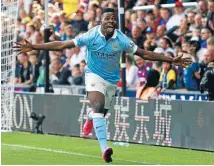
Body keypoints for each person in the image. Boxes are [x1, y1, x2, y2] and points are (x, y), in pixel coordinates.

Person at [13, 8, 191, 163]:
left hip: (111, 81)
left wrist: (171, 59)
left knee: (101, 113)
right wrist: (34, 46)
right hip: (93, 75)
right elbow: (62, 45)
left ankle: (90, 117)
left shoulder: (121, 39)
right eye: (108, 18)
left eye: (113, 19)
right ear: (101, 21)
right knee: (98, 106)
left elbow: (144, 54)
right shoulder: (91, 35)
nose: (111, 21)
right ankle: (105, 149)